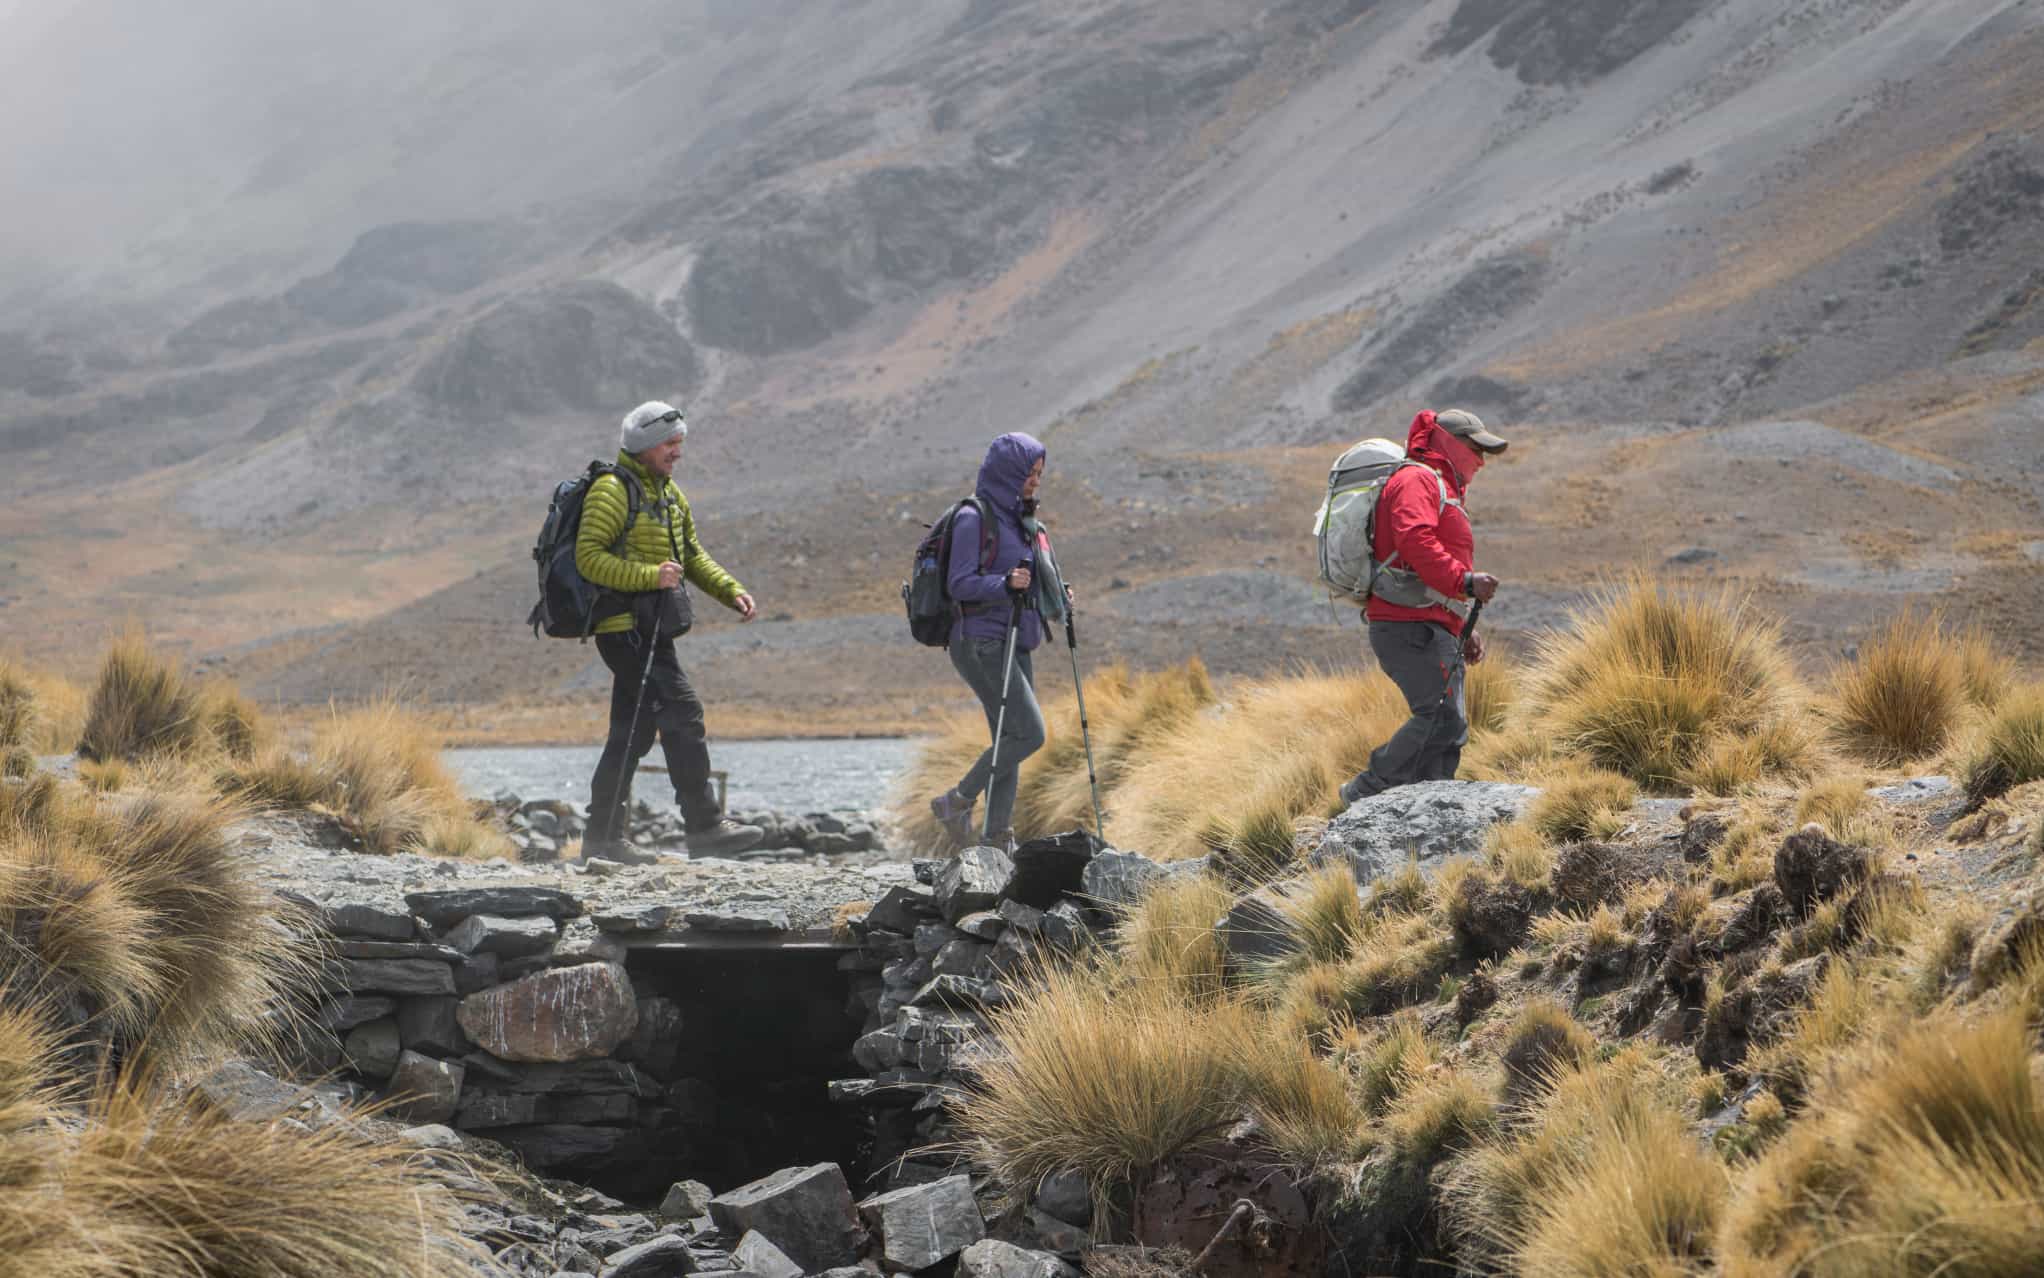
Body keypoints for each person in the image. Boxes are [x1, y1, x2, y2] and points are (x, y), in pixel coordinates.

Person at [575, 401, 765, 861]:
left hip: (652, 629)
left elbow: (692, 555)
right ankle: (704, 828)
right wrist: (648, 576)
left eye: (680, 443)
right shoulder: (611, 491)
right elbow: (588, 556)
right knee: (684, 712)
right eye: (669, 443)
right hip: (623, 630)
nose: (677, 451)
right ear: (643, 445)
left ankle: (600, 840)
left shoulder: (670, 495)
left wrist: (730, 590)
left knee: (631, 733)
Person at [1338, 408, 1508, 804]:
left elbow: (1426, 564)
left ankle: (1430, 809)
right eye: (1474, 449)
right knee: (1441, 717)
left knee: (1452, 727)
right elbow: (1414, 540)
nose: (1481, 461)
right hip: (1405, 627)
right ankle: (1363, 791)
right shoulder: (1417, 479)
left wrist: (1459, 622)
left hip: (1430, 624)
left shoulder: (1440, 487)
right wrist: (1465, 582)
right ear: (1449, 444)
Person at [928, 432, 1069, 849]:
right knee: (1029, 734)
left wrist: (1055, 593)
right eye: (1030, 473)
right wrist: (1004, 583)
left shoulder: (1018, 521)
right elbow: (959, 584)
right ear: (1009, 472)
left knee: (1008, 739)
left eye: (1040, 474)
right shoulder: (974, 518)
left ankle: (996, 838)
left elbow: (1028, 579)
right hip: (980, 641)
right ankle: (957, 800)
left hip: (1015, 639)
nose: (1035, 482)